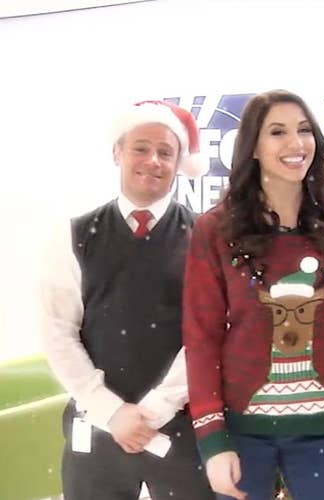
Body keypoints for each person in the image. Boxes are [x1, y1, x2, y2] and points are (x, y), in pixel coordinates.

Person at [182, 89, 324, 500]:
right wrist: (213, 441)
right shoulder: (215, 230)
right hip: (241, 435)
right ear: (252, 146)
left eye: (304, 130)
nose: (295, 144)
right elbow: (201, 339)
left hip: (323, 433)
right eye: (277, 132)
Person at [38, 100, 214, 499]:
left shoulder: (207, 237)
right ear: (117, 152)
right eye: (140, 147)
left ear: (178, 162)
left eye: (165, 152)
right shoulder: (73, 235)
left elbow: (208, 333)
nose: (152, 160)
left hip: (184, 430)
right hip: (96, 429)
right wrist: (111, 412)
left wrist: (154, 411)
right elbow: (57, 333)